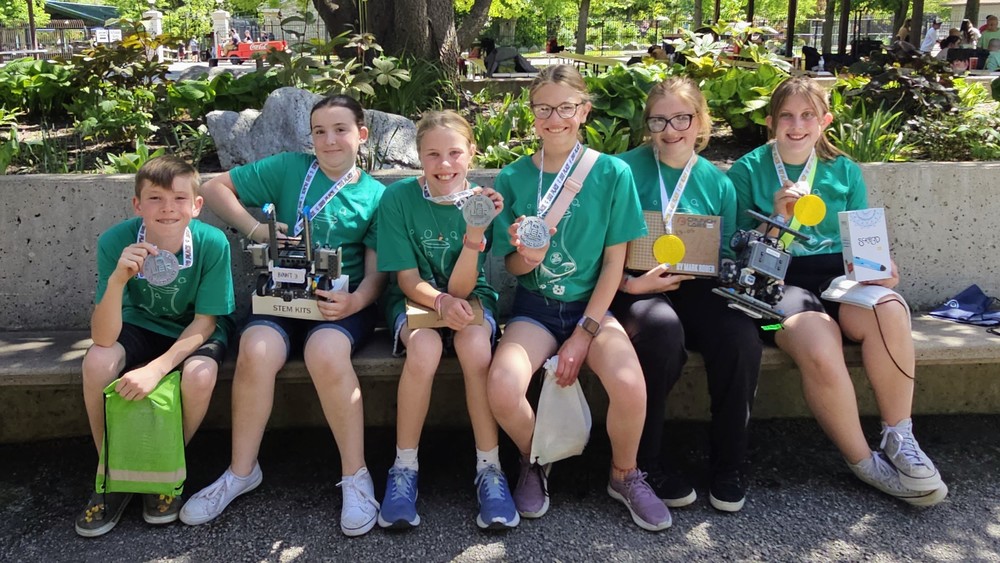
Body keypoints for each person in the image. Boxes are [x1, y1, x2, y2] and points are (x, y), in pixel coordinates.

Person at [727, 77, 948, 507]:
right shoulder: (747, 170)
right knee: (819, 338)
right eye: (787, 116)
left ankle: (899, 437)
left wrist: (880, 269)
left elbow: (862, 241)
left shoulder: (844, 170)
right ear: (770, 122)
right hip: (773, 292)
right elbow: (736, 256)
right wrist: (776, 217)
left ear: (824, 121)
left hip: (838, 280)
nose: (797, 126)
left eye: (807, 116)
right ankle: (863, 461)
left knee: (889, 306)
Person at [179, 95, 387, 536]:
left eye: (340, 130)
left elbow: (376, 275)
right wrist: (257, 229)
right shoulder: (290, 168)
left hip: (337, 305)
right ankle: (241, 471)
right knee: (255, 349)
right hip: (282, 297)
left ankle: (356, 475)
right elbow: (214, 188)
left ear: (361, 135)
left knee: (326, 354)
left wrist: (355, 302)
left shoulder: (375, 196)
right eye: (319, 132)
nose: (329, 140)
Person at [487, 64, 671, 531]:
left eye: (566, 108)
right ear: (532, 113)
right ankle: (536, 459)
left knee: (629, 385)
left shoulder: (611, 173)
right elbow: (512, 267)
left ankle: (624, 474)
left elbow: (614, 264)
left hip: (593, 309)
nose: (555, 119)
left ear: (584, 111)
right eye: (544, 109)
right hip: (535, 309)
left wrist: (584, 335)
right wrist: (528, 257)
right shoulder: (512, 177)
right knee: (503, 388)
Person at [614, 77, 763, 513]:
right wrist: (628, 284)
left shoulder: (718, 183)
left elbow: (725, 254)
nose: (670, 129)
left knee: (741, 337)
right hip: (635, 284)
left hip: (698, 285)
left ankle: (730, 463)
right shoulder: (622, 170)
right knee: (661, 333)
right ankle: (644, 464)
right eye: (658, 120)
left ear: (700, 122)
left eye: (682, 118)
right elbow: (598, 246)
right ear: (648, 124)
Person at [75, 156, 235, 537]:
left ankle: (160, 469)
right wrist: (117, 281)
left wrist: (156, 369)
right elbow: (102, 337)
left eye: (179, 198)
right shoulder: (115, 241)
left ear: (196, 205)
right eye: (155, 198)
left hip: (194, 329)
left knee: (200, 374)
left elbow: (205, 323)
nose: (168, 208)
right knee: (97, 361)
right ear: (137, 204)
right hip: (139, 324)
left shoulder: (212, 243)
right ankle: (112, 473)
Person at [376, 110, 518, 530]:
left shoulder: (480, 203)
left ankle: (490, 468)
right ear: (418, 156)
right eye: (432, 154)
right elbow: (406, 280)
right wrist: (438, 303)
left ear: (472, 153)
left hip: (469, 294)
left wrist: (475, 233)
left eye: (455, 153)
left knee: (475, 349)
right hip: (415, 297)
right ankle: (404, 468)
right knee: (424, 350)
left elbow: (462, 288)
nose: (444, 164)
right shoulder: (398, 198)